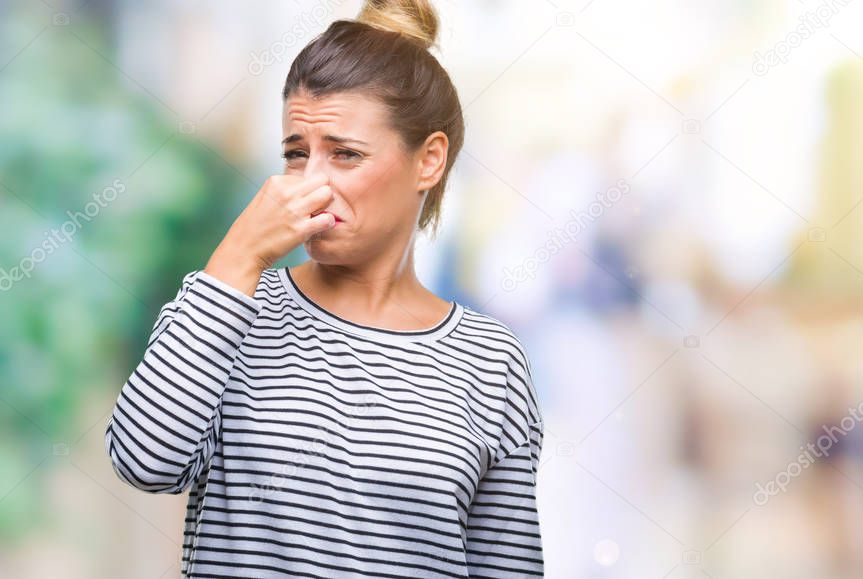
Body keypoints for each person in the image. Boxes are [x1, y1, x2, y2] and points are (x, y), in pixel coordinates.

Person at [103, 1, 546, 576]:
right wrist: (239, 255)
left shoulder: (491, 362)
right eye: (296, 154)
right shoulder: (225, 307)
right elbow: (143, 462)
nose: (311, 184)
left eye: (345, 154)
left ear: (429, 161)